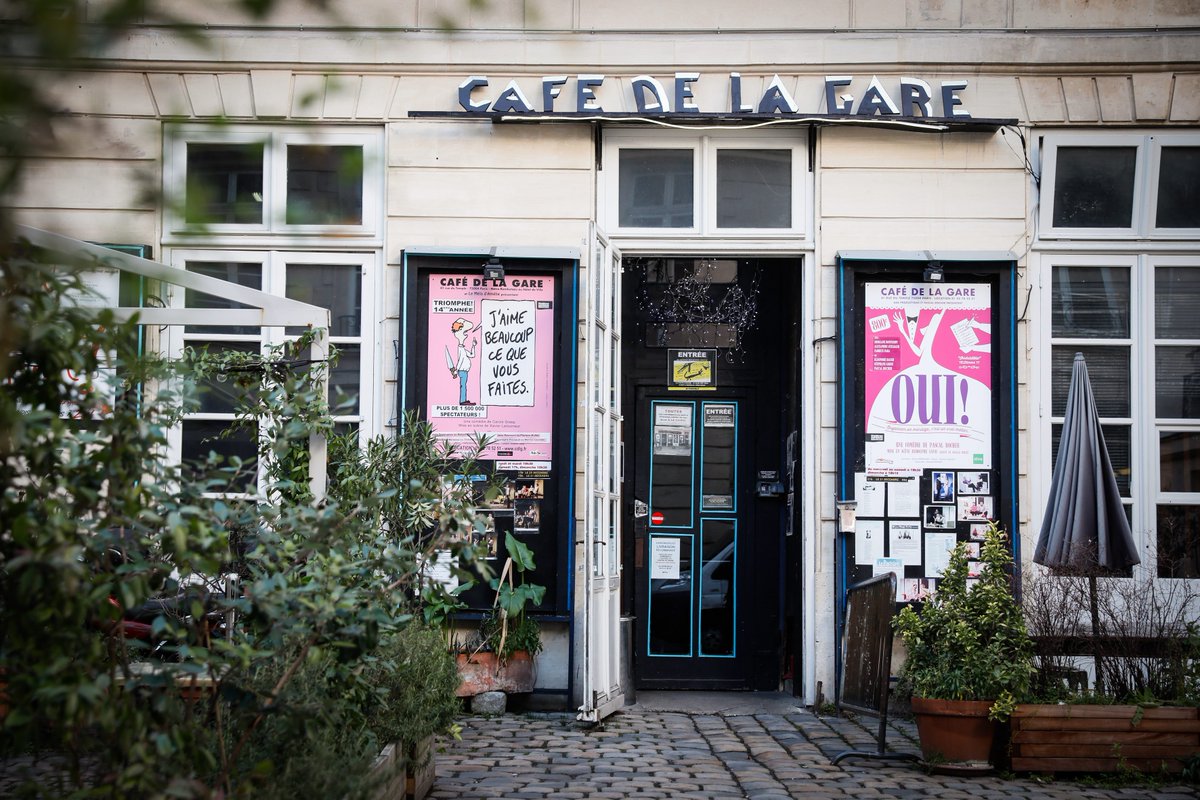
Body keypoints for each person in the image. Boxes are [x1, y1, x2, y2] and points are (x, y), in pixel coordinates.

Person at [450, 318, 478, 405]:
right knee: (463, 386)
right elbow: (460, 360)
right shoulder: (460, 348)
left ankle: (463, 400)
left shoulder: (462, 348)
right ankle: (462, 401)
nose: (466, 333)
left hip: (464, 371)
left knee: (464, 385)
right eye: (464, 331)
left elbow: (472, 355)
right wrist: (456, 370)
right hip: (462, 371)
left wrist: (473, 346)